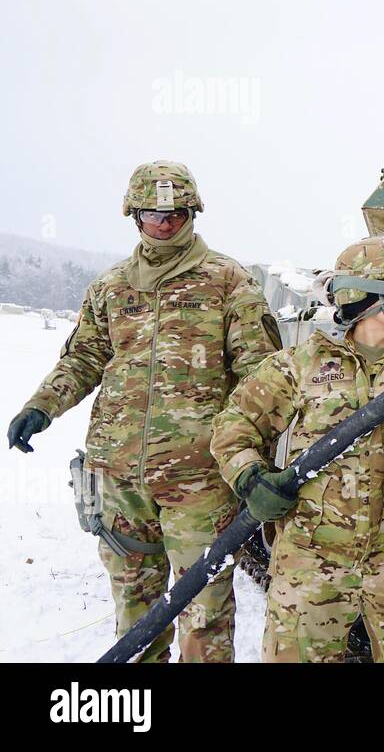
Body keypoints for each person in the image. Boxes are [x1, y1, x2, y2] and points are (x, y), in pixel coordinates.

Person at [6, 161, 281, 661]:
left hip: (199, 479)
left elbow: (260, 378)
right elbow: (85, 356)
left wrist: (247, 459)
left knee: (205, 610)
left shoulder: (228, 281)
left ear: (192, 211)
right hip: (118, 478)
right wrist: (41, 406)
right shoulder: (112, 286)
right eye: (153, 212)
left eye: (176, 211)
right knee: (135, 607)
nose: (165, 222)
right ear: (133, 214)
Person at [210, 234, 384, 662]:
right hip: (309, 559)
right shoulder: (302, 363)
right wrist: (250, 477)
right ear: (366, 296)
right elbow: (235, 425)